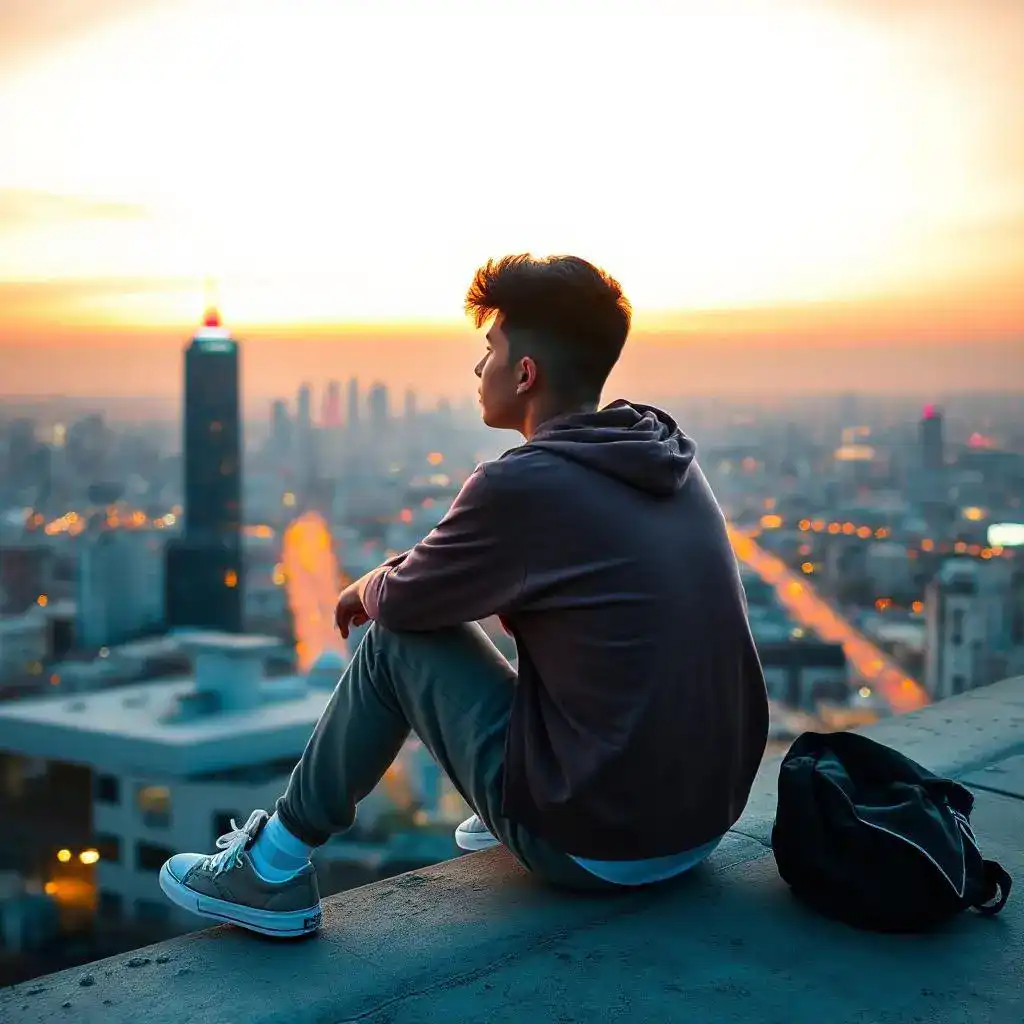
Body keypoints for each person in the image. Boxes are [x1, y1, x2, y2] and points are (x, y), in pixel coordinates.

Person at [159, 254, 769, 937]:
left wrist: (366, 585)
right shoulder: (664, 456)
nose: (479, 370)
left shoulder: (524, 484)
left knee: (396, 638)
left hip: (604, 845)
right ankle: (518, 799)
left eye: (489, 351)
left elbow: (406, 607)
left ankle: (270, 869)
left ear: (525, 374)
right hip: (702, 824)